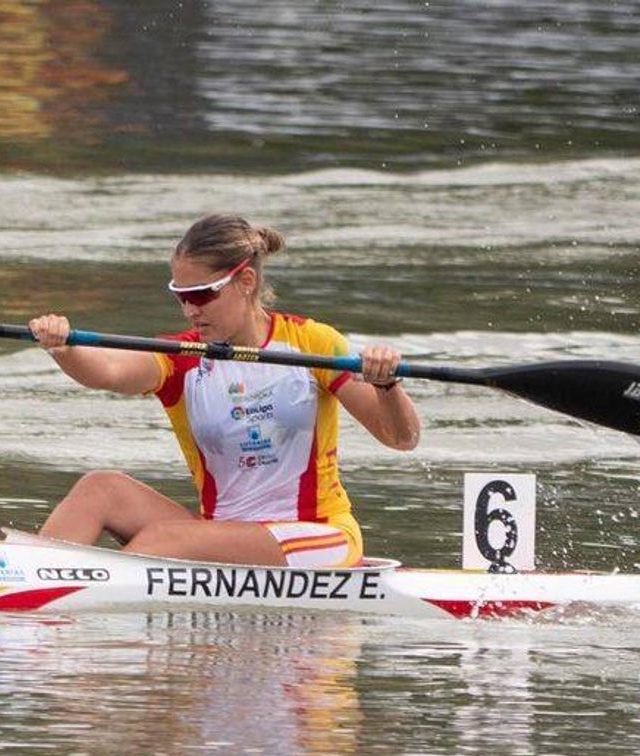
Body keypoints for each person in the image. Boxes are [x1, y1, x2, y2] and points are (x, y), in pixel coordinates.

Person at [28, 214, 420, 568]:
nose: (190, 310)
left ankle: (70, 595)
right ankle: (26, 582)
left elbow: (402, 438)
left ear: (245, 281)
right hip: (222, 535)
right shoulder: (182, 356)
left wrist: (387, 385)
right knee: (101, 488)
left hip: (318, 536)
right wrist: (65, 348)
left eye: (201, 295)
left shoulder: (313, 344)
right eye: (181, 296)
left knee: (165, 540)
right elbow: (109, 371)